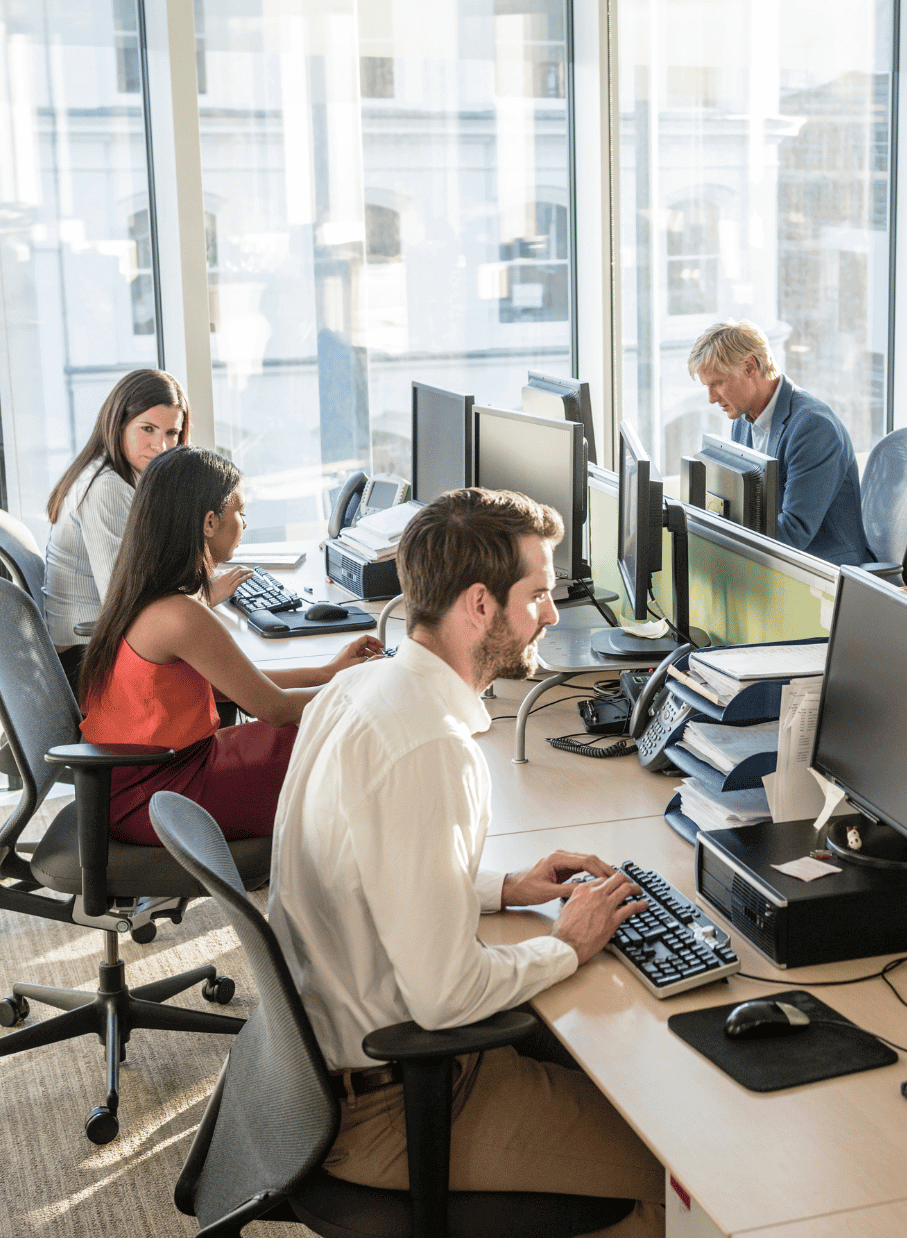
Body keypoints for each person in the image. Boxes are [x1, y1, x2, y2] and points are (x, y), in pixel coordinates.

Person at [268, 487, 663, 1235]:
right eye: (538, 595)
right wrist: (565, 943)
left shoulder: (357, 689)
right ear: (480, 605)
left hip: (321, 1076)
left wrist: (505, 888)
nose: (551, 614)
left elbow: (360, 870)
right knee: (678, 1175)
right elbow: (445, 1000)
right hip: (394, 1104)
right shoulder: (431, 748)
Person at [79, 447, 382, 846]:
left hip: (145, 779)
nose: (244, 523)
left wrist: (327, 674)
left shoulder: (145, 594)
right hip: (161, 797)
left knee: (320, 733)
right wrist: (368, 692)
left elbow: (235, 684)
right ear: (209, 522)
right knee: (350, 739)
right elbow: (272, 708)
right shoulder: (179, 615)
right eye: (240, 512)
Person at [43, 369, 251, 687]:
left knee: (227, 666)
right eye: (148, 429)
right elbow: (123, 599)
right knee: (226, 676)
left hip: (99, 647)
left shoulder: (131, 476)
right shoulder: (105, 487)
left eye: (172, 433)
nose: (161, 446)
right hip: (85, 663)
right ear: (118, 424)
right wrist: (206, 596)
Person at [689, 320, 872, 566]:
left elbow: (793, 532)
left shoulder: (814, 428)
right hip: (778, 559)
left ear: (749, 366)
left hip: (823, 569)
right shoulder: (742, 420)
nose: (712, 398)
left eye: (717, 383)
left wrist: (723, 532)